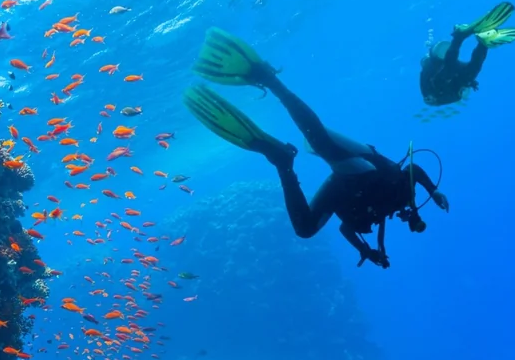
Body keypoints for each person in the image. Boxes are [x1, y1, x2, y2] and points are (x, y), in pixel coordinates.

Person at [183, 28, 449, 269]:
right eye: (415, 222)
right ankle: (268, 78)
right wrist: (434, 191)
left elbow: (345, 228)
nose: (408, 221)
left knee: (305, 229)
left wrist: (367, 250)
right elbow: (413, 166)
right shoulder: (405, 195)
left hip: (344, 183)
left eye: (411, 225)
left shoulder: (377, 218)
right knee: (321, 143)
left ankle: (281, 160)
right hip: (366, 163)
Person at [419, 1, 515, 106]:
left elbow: (436, 76)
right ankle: (482, 43)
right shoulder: (429, 76)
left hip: (447, 79)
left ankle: (460, 36)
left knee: (460, 68)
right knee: (472, 68)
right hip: (456, 80)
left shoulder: (428, 74)